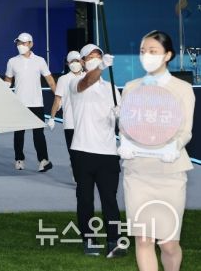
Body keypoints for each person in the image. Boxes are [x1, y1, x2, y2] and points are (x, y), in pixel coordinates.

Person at [119, 31, 194, 271]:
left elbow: (185, 131)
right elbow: (125, 126)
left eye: (153, 51)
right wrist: (125, 143)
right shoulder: (131, 88)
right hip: (137, 173)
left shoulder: (182, 89)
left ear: (167, 55)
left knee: (168, 243)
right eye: (143, 51)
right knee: (143, 239)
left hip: (169, 173)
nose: (147, 56)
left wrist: (174, 147)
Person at [69, 43, 124, 258]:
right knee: (85, 200)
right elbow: (87, 81)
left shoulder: (111, 88)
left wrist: (119, 114)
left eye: (98, 56)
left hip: (108, 152)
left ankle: (114, 241)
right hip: (82, 150)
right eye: (90, 57)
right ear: (83, 62)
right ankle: (89, 239)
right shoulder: (76, 83)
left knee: (110, 199)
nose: (94, 59)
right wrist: (101, 67)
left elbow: (122, 121)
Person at [4, 32, 56, 172]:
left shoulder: (40, 60)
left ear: (31, 44)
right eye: (18, 43)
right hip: (19, 103)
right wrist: (4, 88)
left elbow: (50, 79)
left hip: (36, 103)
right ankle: (19, 159)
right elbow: (8, 79)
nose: (20, 45)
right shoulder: (12, 61)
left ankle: (43, 161)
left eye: (23, 43)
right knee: (18, 133)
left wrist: (59, 96)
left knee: (38, 134)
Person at [50, 51, 84, 173]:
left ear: (82, 62)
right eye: (72, 61)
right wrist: (52, 118)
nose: (75, 64)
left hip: (85, 121)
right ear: (68, 63)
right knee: (73, 151)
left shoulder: (88, 77)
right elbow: (57, 98)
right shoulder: (63, 79)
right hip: (70, 122)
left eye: (77, 61)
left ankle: (82, 172)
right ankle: (76, 172)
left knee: (85, 151)